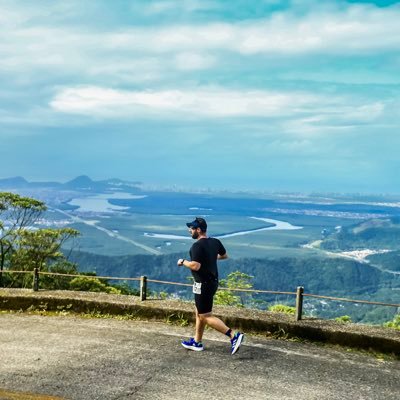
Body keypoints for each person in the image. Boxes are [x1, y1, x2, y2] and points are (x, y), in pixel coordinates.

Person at [177, 217, 244, 355]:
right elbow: (224, 256)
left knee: (206, 316)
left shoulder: (197, 246)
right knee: (199, 312)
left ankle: (233, 335)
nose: (190, 230)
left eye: (192, 228)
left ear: (199, 230)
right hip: (212, 283)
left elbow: (195, 266)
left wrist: (183, 261)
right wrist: (210, 257)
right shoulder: (215, 242)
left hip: (203, 285)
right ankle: (197, 342)